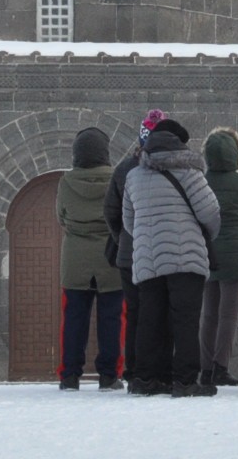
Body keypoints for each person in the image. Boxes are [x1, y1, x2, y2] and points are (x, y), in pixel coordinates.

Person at [122, 118, 221, 396]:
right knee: (185, 320)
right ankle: (185, 380)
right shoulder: (190, 173)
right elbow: (210, 213)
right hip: (185, 257)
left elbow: (128, 222)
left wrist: (148, 238)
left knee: (150, 319)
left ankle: (147, 378)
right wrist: (203, 235)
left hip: (148, 259)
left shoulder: (133, 176)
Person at [56, 126, 125, 390]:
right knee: (112, 318)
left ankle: (70, 375)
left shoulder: (65, 181)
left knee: (74, 318)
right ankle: (109, 375)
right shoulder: (117, 178)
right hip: (110, 256)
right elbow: (121, 215)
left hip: (75, 258)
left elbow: (60, 216)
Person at [105, 109, 164, 382]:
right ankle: (156, 369)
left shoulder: (124, 168)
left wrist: (123, 239)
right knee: (159, 310)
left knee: (135, 311)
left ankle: (134, 369)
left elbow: (111, 212)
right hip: (159, 250)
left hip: (129, 253)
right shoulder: (170, 166)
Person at [199, 127, 238, 386]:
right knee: (229, 315)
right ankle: (221, 367)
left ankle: (205, 369)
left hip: (206, 252)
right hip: (237, 254)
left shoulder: (200, 181)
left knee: (208, 313)